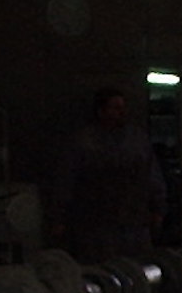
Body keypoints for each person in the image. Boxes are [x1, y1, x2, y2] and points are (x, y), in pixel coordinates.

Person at [51, 87, 166, 263]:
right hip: (96, 222)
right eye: (115, 107)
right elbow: (66, 180)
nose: (121, 112)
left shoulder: (136, 141)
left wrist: (158, 209)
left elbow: (152, 176)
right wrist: (60, 217)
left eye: (122, 107)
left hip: (133, 220)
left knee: (137, 270)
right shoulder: (84, 142)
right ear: (101, 111)